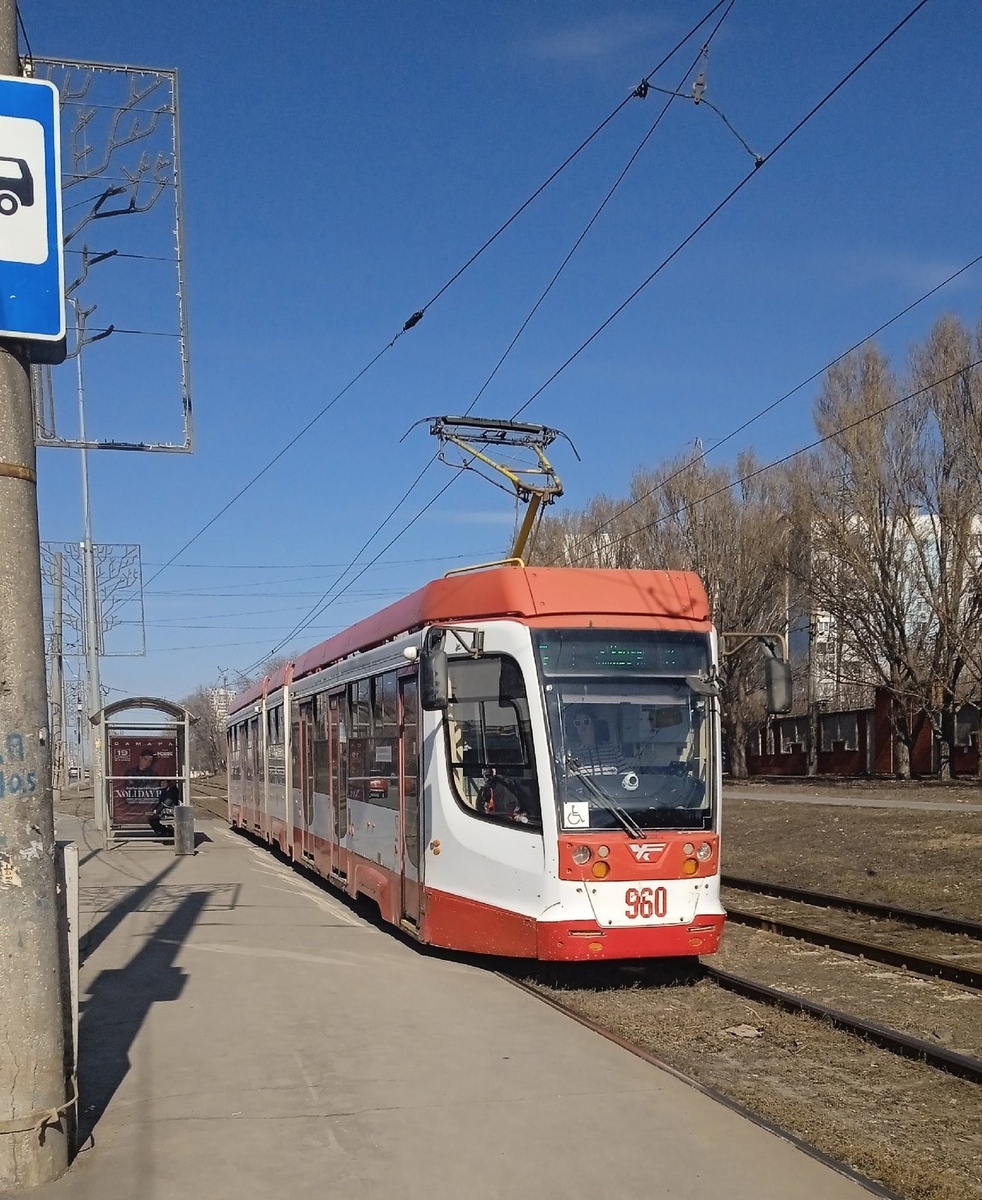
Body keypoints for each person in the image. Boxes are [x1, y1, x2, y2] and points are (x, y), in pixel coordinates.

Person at [564, 708, 626, 777]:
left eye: (586, 721)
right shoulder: (571, 754)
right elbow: (566, 780)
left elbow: (628, 776)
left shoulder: (612, 750)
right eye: (578, 723)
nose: (582, 726)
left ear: (594, 724)